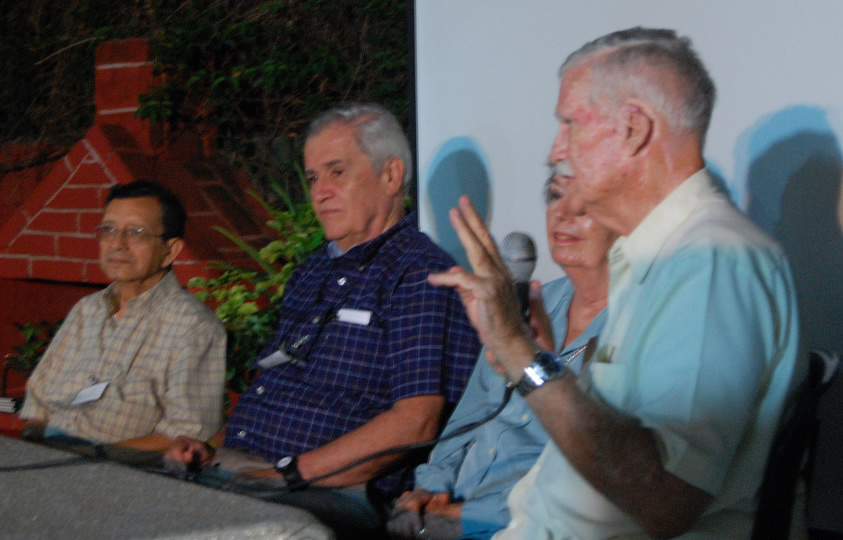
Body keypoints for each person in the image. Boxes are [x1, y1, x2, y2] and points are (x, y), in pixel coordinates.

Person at [428, 28, 799, 539]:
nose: (557, 150)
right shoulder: (652, 255)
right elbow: (612, 451)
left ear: (634, 128)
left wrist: (522, 356)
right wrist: (542, 365)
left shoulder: (711, 261)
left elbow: (663, 497)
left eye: (569, 125)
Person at [165, 103, 480, 537]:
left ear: (391, 176)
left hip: (330, 494)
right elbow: (273, 387)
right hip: (243, 470)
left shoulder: (420, 274)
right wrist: (208, 446)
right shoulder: (312, 270)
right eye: (313, 177)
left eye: (336, 173)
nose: (319, 192)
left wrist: (293, 473)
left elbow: (416, 421)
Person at [387, 174, 615, 540]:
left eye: (585, 200)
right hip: (446, 511)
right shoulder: (525, 304)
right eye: (556, 195)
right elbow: (471, 416)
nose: (564, 212)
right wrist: (428, 490)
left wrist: (466, 517)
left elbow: (600, 476)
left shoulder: (637, 327)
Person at [20, 180, 226, 452]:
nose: (117, 244)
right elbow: (39, 400)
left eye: (136, 232)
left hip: (113, 469)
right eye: (109, 230)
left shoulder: (195, 328)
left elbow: (185, 436)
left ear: (170, 251)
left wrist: (97, 457)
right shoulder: (88, 309)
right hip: (46, 452)